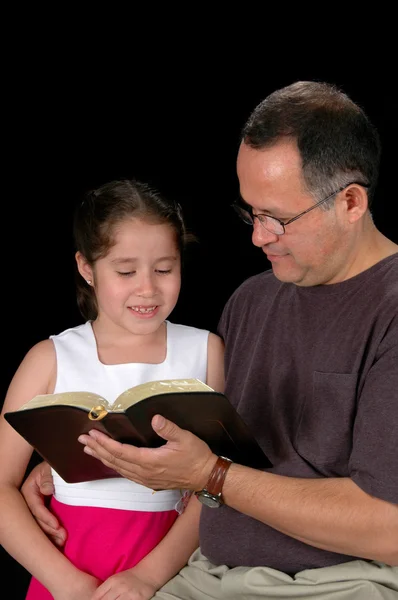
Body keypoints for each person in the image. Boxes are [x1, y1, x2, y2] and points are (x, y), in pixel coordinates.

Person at [23, 80, 398, 599]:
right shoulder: (252, 300)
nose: (257, 236)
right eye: (250, 212)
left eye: (276, 219)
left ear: (351, 202)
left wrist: (212, 475)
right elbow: (204, 435)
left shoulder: (391, 308)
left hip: (338, 583)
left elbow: (389, 527)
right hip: (207, 574)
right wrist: (74, 461)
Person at [0, 178, 224, 600]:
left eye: (164, 269)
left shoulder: (207, 351)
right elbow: (1, 485)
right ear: (87, 268)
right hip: (68, 568)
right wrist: (66, 584)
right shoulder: (48, 359)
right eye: (125, 271)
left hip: (173, 567)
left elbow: (218, 484)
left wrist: (148, 576)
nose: (148, 288)